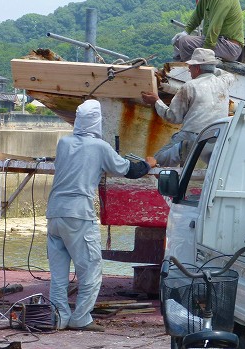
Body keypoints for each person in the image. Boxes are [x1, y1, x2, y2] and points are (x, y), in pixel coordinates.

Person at [46, 99, 156, 332]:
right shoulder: (100, 147)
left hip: (54, 214)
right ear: (97, 121)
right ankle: (81, 318)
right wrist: (148, 164)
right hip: (79, 215)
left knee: (58, 275)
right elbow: (129, 171)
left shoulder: (63, 143)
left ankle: (59, 318)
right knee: (91, 269)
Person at [141, 47, 233, 167]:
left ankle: (157, 171)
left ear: (197, 68)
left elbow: (173, 117)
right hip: (217, 137)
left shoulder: (189, 86)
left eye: (191, 66)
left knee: (157, 161)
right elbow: (227, 74)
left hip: (193, 136)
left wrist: (156, 101)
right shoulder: (224, 82)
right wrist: (209, 68)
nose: (189, 69)